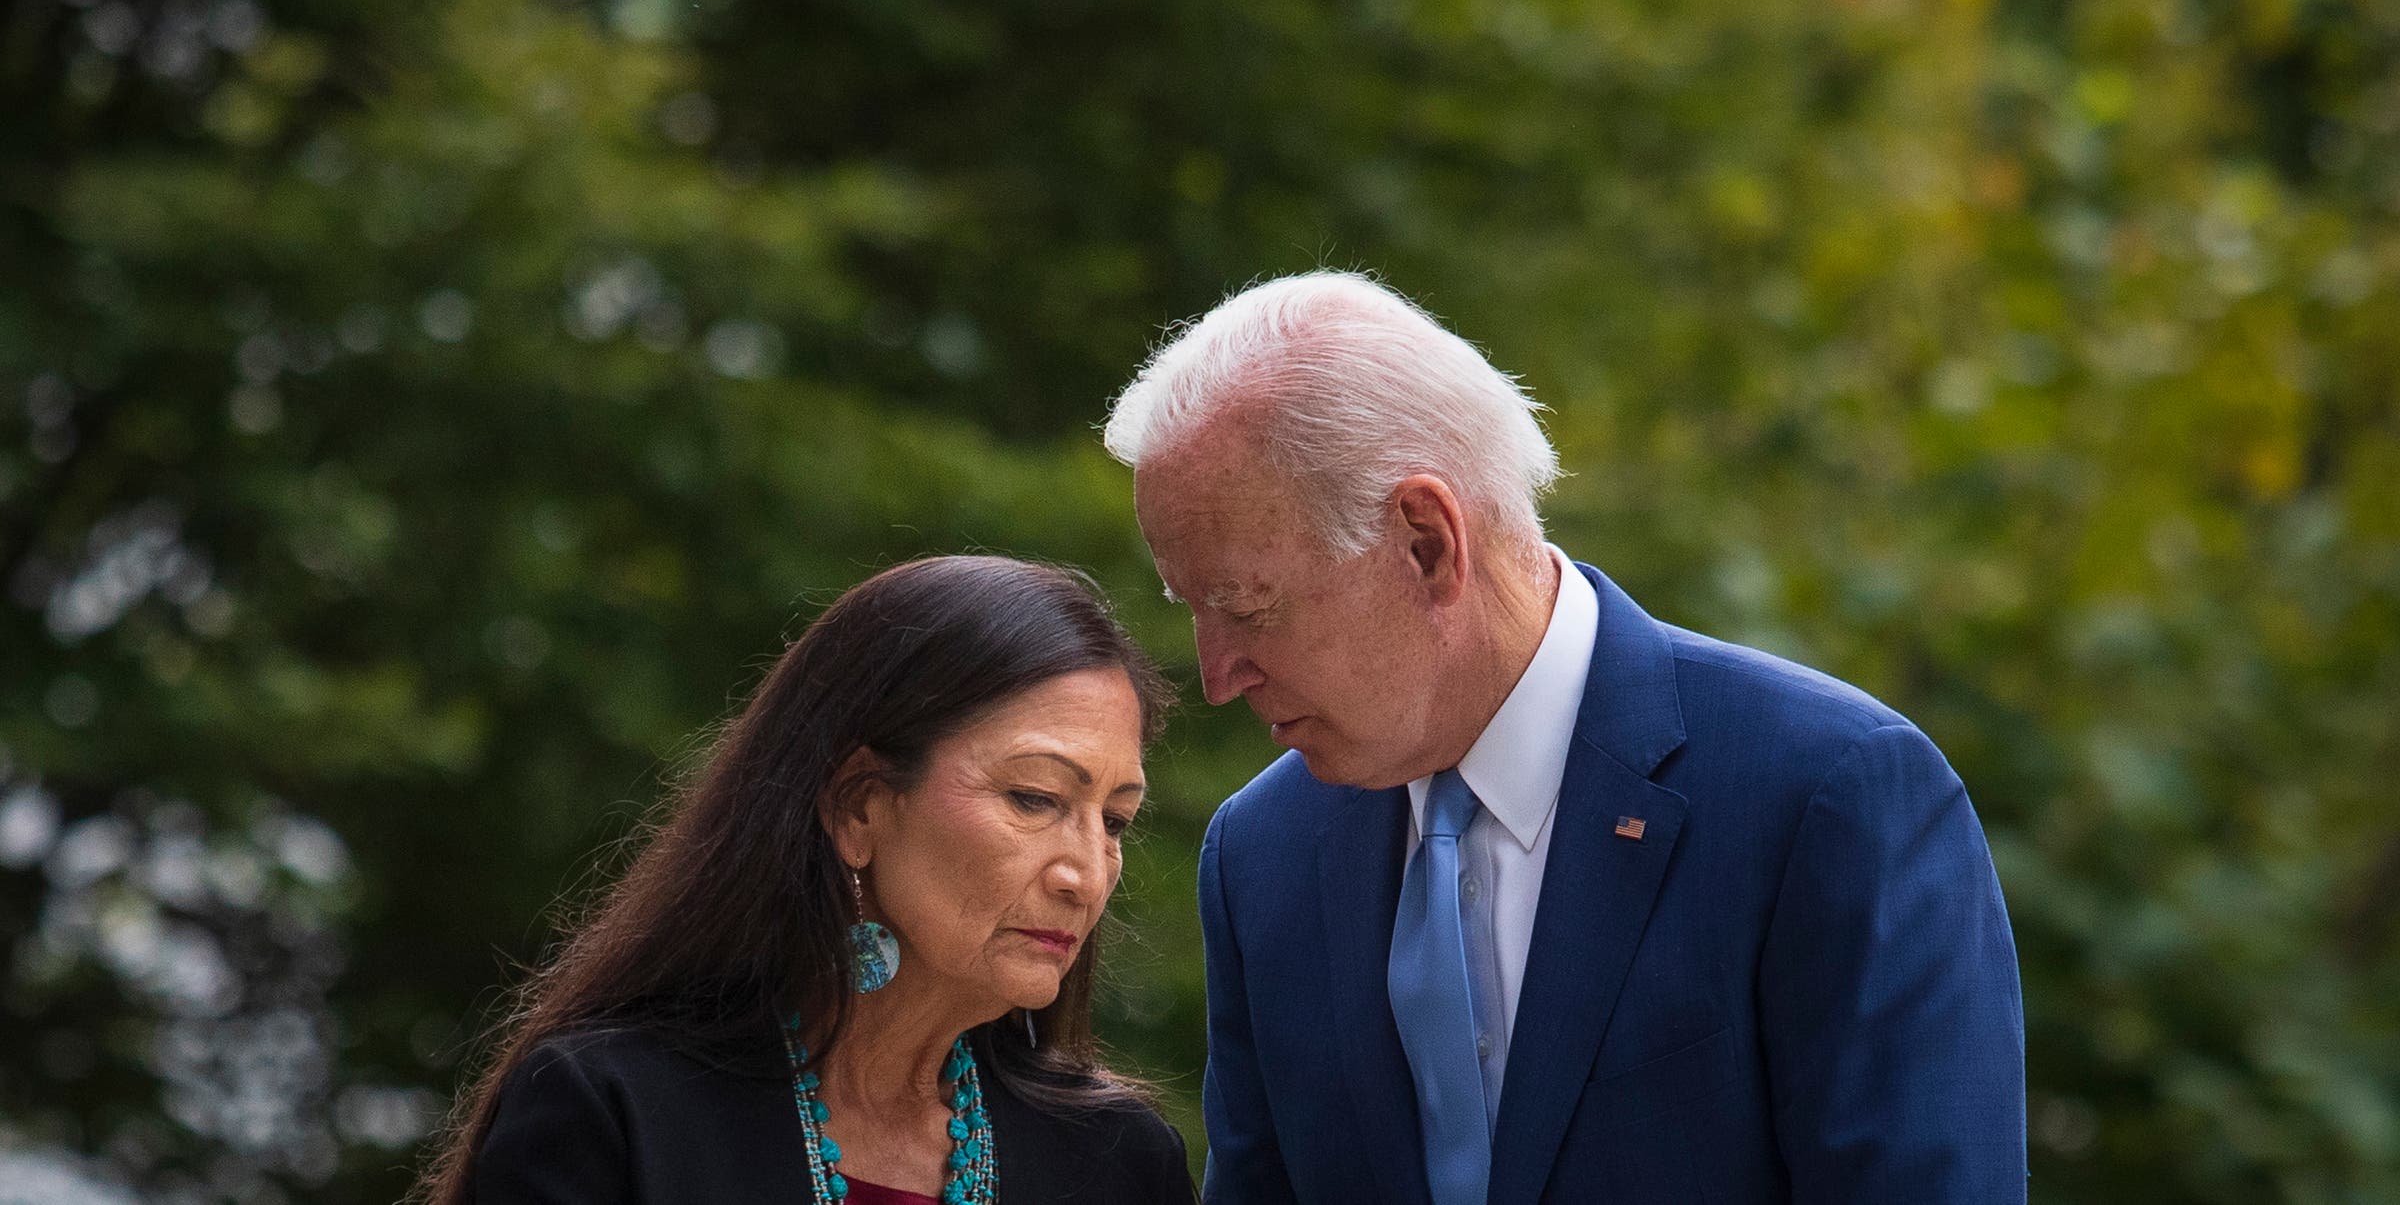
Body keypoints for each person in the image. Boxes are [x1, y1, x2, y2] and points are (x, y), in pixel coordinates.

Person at [1104, 273, 2026, 1204]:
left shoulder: (1827, 793)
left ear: (1427, 543)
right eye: (1192, 608)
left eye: (1248, 606)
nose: (1217, 676)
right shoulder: (1260, 855)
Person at [414, 555, 1196, 1205]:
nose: (1085, 873)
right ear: (857, 808)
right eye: (1035, 798)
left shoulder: (1118, 1162)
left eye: (1115, 820)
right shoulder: (614, 1111)